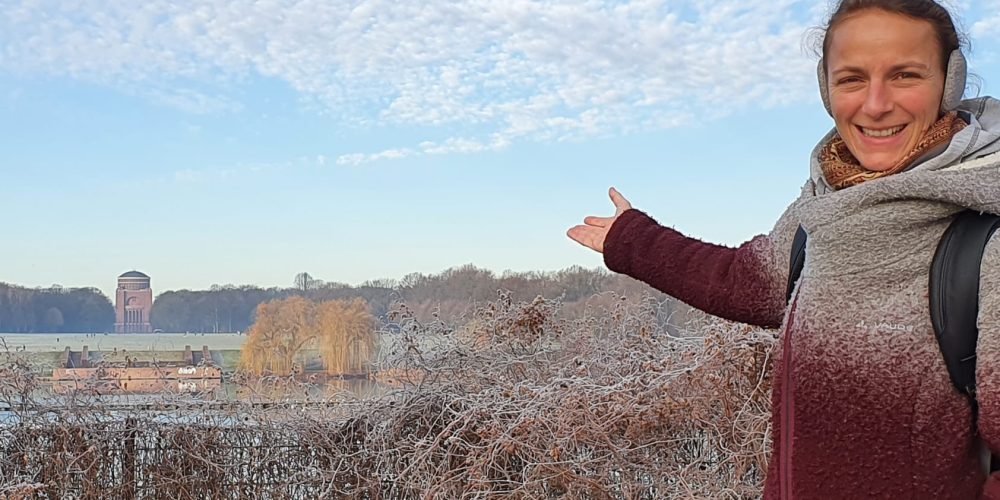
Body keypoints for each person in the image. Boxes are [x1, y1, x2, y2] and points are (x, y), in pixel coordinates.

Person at [568, 0, 1000, 497]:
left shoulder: (984, 242)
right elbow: (742, 280)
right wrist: (633, 241)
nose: (877, 104)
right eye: (852, 78)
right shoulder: (819, 211)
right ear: (826, 89)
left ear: (949, 82)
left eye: (904, 75)